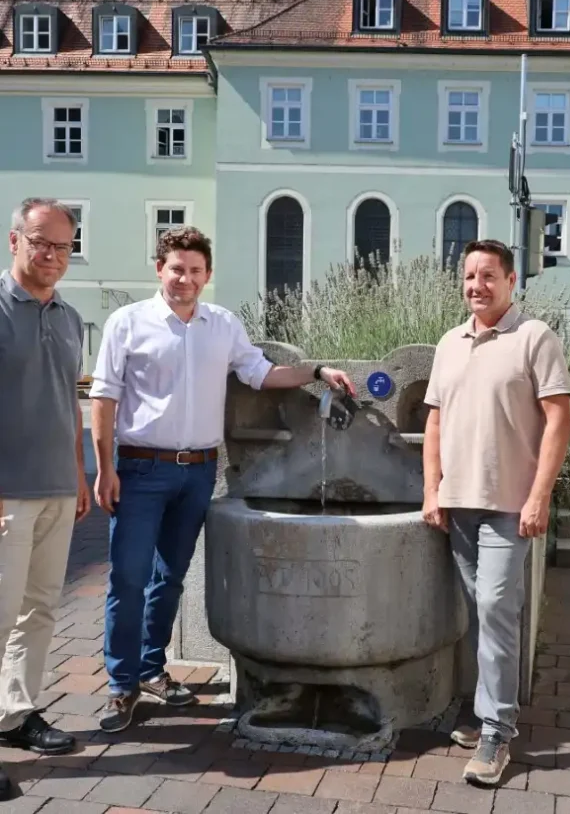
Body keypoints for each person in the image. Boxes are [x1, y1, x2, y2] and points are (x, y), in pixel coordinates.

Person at [89, 226, 356, 733]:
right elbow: (103, 399)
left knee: (168, 578)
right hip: (140, 469)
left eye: (194, 270)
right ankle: (122, 683)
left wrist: (317, 370)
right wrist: (105, 469)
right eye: (175, 268)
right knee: (128, 578)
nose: (184, 278)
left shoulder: (222, 324)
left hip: (197, 473)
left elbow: (260, 372)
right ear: (159, 269)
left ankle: (151, 669)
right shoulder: (128, 323)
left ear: (207, 275)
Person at [422, 239, 570, 786]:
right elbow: (434, 424)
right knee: (481, 614)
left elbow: (559, 421)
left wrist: (540, 496)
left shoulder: (535, 337)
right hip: (458, 503)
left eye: (488, 275)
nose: (477, 285)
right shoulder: (449, 342)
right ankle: (486, 710)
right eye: (469, 276)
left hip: (510, 505)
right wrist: (431, 491)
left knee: (496, 608)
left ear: (511, 281)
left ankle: (497, 732)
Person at [0, 198, 91, 798]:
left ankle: (17, 712)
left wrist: (79, 475)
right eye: (41, 243)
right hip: (7, 493)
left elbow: (66, 404)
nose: (53, 255)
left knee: (39, 611)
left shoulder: (69, 317)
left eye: (62, 246)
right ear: (15, 241)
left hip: (59, 486)